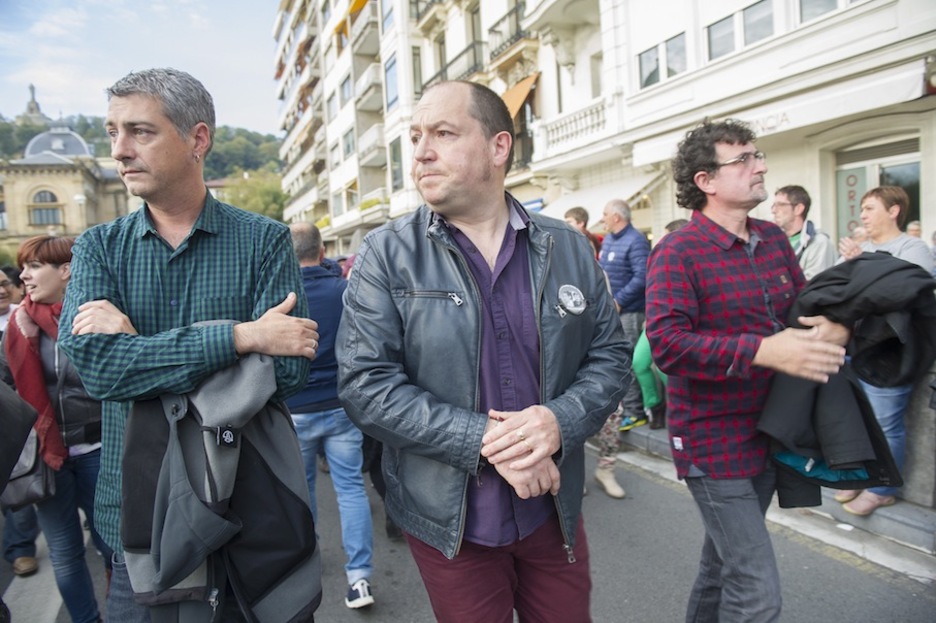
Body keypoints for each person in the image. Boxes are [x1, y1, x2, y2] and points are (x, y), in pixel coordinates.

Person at [336, 80, 629, 622]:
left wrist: (557, 422)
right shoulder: (386, 252)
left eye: (444, 133)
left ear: (499, 147)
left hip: (552, 512)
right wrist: (492, 440)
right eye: (416, 136)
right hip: (453, 524)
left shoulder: (566, 244)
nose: (421, 152)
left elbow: (610, 354)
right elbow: (365, 385)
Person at [57, 68, 320, 622]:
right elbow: (100, 374)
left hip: (248, 499)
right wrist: (241, 337)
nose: (120, 151)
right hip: (140, 509)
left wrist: (138, 348)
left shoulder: (264, 239)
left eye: (140, 132)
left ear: (197, 139)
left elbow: (288, 373)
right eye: (112, 133)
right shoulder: (99, 249)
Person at [646, 119, 849, 622]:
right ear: (705, 181)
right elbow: (668, 348)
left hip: (768, 430)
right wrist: (763, 350)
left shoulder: (774, 240)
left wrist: (835, 326)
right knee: (757, 594)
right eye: (744, 160)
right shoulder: (677, 252)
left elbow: (801, 310)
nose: (759, 167)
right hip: (712, 443)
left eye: (757, 156)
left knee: (723, 569)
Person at [1, 236, 112, 623]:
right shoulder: (17, 325)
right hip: (44, 457)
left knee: (114, 546)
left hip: (99, 451)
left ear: (66, 271)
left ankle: (125, 612)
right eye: (24, 267)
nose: (24, 276)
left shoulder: (96, 316)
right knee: (65, 554)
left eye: (34, 267)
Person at [286, 222, 375, 610]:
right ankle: (360, 578)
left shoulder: (282, 297)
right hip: (341, 406)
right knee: (351, 489)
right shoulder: (345, 291)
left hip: (295, 409)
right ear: (322, 252)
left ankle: (305, 567)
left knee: (300, 494)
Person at [836, 186, 934, 516]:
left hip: (891, 353)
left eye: (870, 208)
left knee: (885, 423)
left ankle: (883, 489)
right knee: (857, 420)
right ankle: (865, 476)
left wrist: (858, 265)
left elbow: (901, 291)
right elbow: (836, 291)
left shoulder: (914, 248)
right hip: (855, 347)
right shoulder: (858, 250)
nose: (862, 215)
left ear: (894, 211)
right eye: (861, 208)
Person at [589, 198, 648, 499]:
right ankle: (568, 475)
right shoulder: (609, 243)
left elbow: (641, 276)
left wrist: (619, 301)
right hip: (571, 363)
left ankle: (606, 468)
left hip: (619, 322)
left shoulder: (634, 241)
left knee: (613, 411)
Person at [1, 266, 41, 580]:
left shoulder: (26, 316)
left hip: (28, 416)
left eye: (4, 284)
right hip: (11, 414)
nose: (1, 290)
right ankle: (21, 548)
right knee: (19, 493)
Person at [630, 218, 688, 431]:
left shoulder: (690, 261)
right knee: (639, 362)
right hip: (655, 321)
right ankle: (655, 406)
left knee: (669, 369)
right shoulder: (661, 259)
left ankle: (677, 405)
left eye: (666, 236)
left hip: (680, 323)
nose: (661, 241)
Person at [770, 185, 836, 280]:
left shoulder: (819, 243)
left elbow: (813, 285)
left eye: (780, 205)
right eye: (774, 205)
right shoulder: (773, 241)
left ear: (798, 209)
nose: (773, 210)